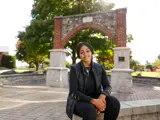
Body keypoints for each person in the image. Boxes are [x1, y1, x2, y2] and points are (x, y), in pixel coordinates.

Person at [66, 42, 120, 120]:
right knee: (90, 109)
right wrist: (94, 102)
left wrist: (102, 97)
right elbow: (74, 92)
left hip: (97, 97)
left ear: (91, 52)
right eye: (82, 52)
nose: (85, 54)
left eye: (88, 51)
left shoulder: (99, 67)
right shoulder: (74, 68)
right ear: (79, 55)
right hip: (79, 101)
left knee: (114, 103)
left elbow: (108, 86)